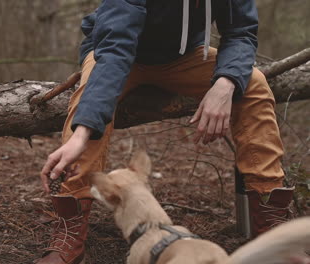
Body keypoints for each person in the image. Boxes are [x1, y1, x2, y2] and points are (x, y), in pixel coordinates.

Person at [36, 1, 293, 263]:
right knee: (88, 96)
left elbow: (241, 32)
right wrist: (80, 135)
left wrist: (226, 83)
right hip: (117, 55)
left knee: (254, 84)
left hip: (186, 58)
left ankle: (271, 226)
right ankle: (70, 233)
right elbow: (116, 50)